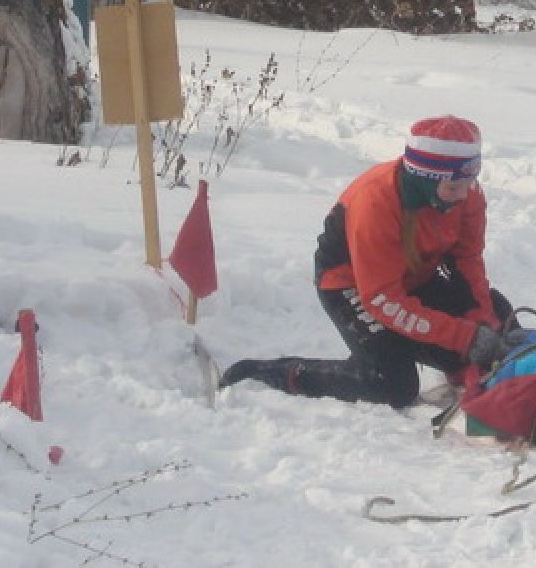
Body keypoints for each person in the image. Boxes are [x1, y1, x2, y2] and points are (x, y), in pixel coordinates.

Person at [219, 115, 518, 408]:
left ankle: (458, 367)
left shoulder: (466, 194)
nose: (465, 195)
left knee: (498, 318)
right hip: (352, 286)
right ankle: (276, 373)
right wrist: (463, 336)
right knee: (392, 385)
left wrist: (481, 319)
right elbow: (383, 299)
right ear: (426, 180)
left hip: (413, 278)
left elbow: (467, 261)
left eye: (470, 183)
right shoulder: (375, 202)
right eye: (454, 188)